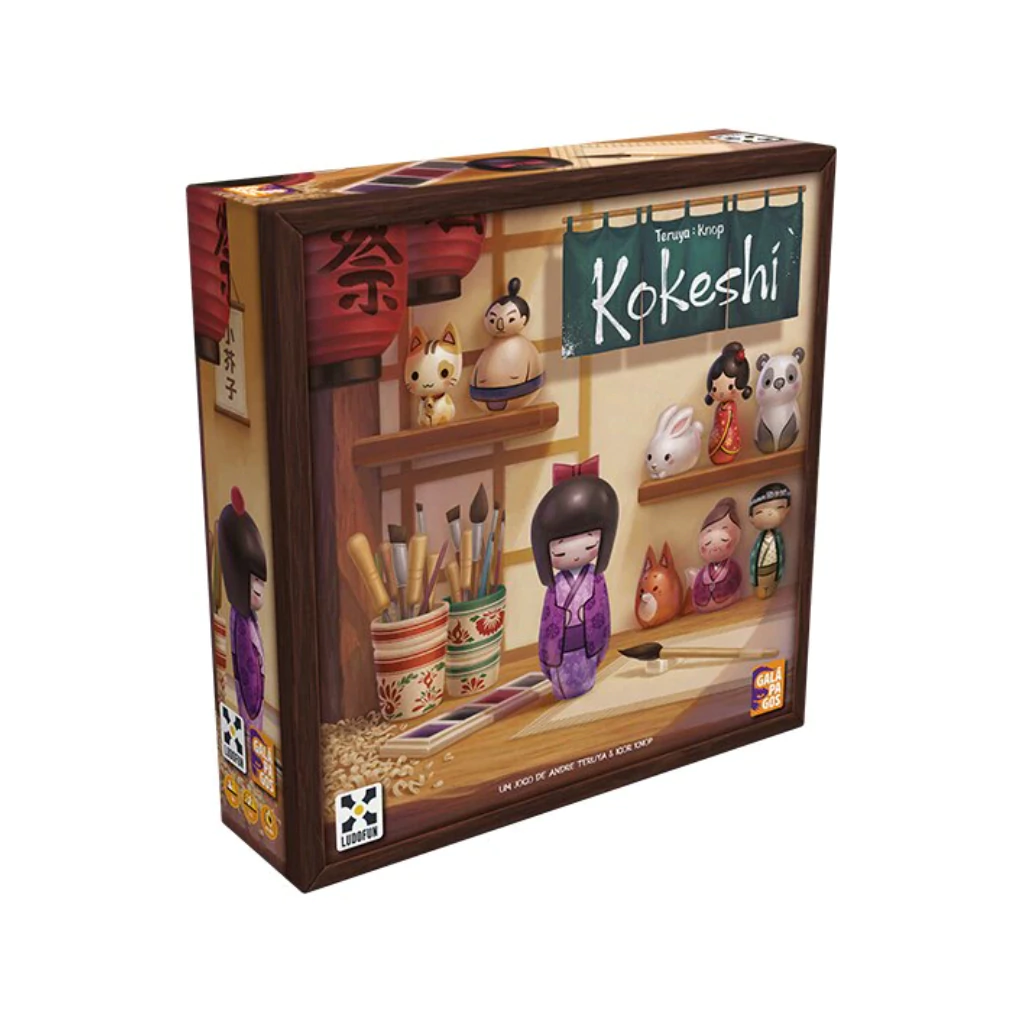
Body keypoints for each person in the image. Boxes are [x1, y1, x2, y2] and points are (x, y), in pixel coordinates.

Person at [531, 457, 619, 699]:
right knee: (565, 681)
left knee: (586, 676)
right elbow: (548, 621)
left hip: (588, 639)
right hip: (562, 643)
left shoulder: (595, 579)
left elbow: (603, 611)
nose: (576, 548)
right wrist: (547, 654)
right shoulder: (556, 586)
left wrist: (601, 642)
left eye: (590, 540)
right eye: (560, 546)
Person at [217, 486, 268, 735]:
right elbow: (250, 682)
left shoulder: (247, 619)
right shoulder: (241, 624)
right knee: (252, 728)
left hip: (255, 703)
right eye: (254, 580)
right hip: (252, 705)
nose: (260, 591)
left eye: (261, 581)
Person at [691, 497, 744, 612]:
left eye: (724, 528)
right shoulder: (703, 572)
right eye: (709, 531)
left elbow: (736, 579)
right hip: (703, 605)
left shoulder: (732, 567)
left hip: (729, 604)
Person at [704, 341, 752, 465]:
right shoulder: (721, 406)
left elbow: (726, 424)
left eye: (730, 386)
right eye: (714, 389)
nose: (719, 393)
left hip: (727, 439)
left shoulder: (730, 407)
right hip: (718, 438)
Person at [748, 483, 792, 599]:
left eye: (779, 507)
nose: (769, 513)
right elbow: (754, 557)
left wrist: (779, 573)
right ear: (751, 518)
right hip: (760, 571)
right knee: (761, 592)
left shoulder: (777, 538)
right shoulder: (760, 540)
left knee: (771, 589)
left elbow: (781, 554)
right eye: (759, 512)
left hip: (774, 569)